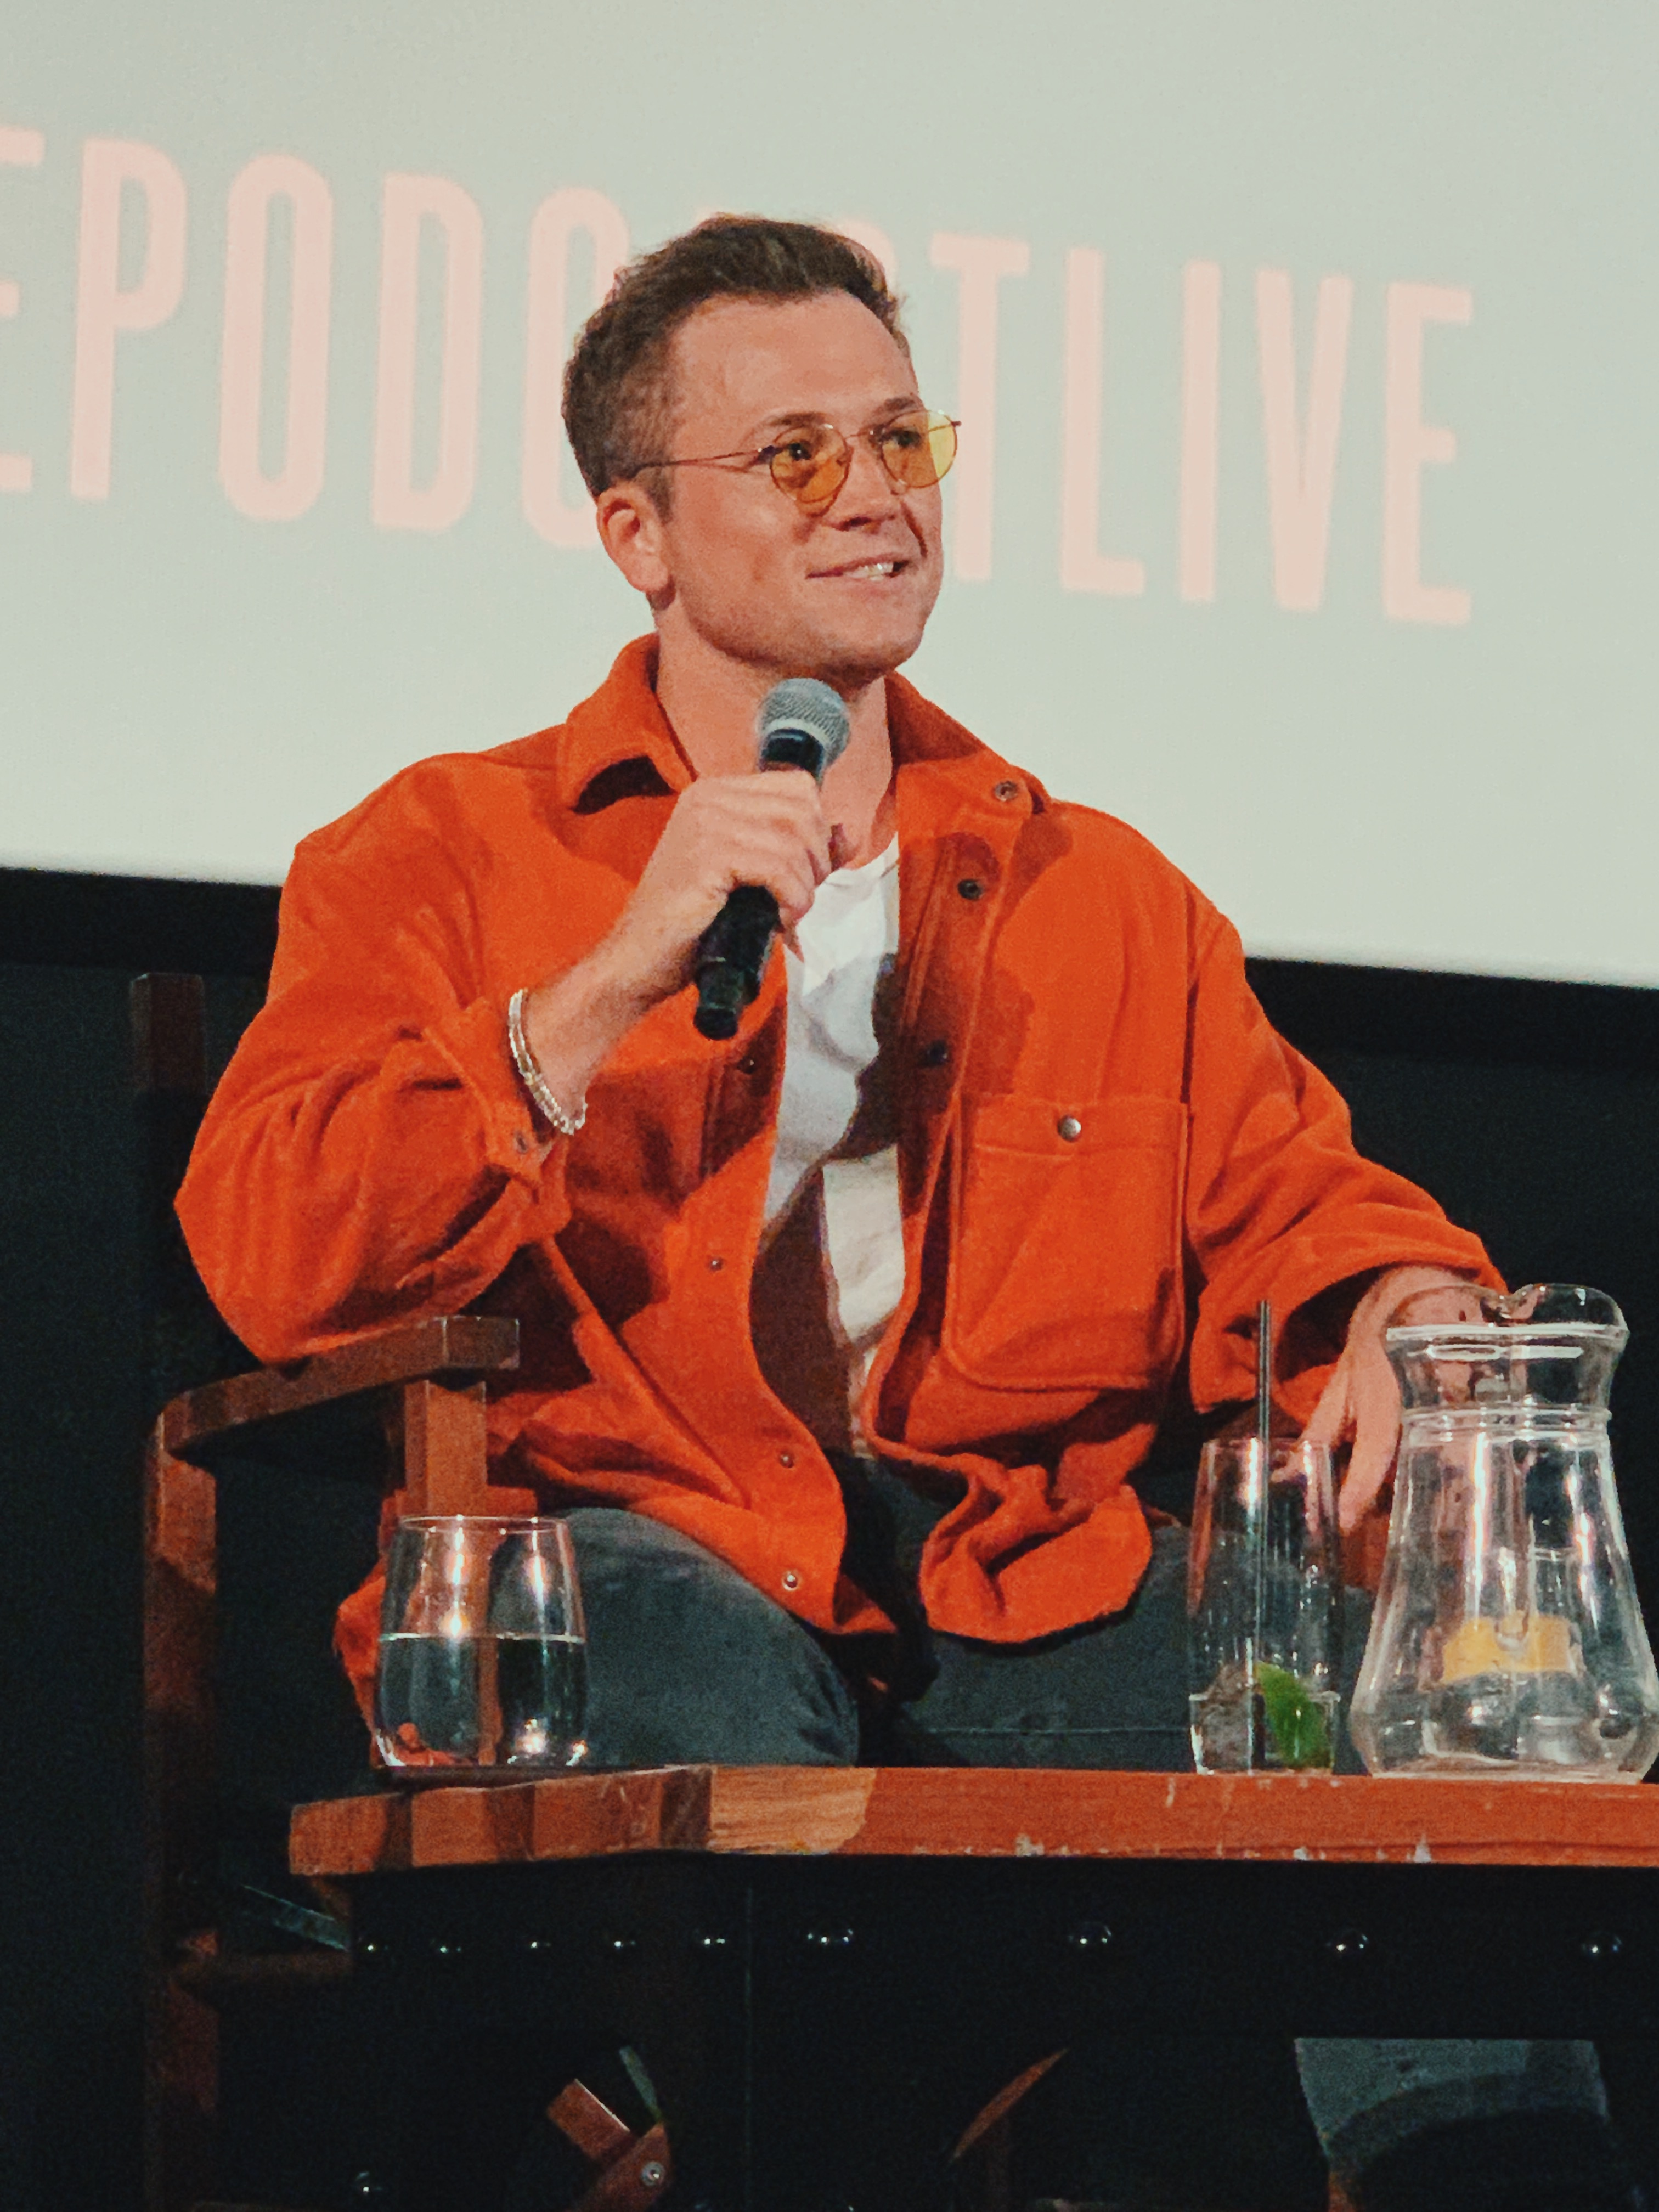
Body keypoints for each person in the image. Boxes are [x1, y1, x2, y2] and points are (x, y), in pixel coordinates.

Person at [176, 218, 1639, 2212]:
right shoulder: (435, 851)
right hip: (621, 1556)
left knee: (1399, 1753)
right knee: (740, 1734)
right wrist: (603, 985)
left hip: (1006, 1581)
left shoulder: (1100, 896)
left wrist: (1393, 1295)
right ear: (636, 535)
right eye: (794, 455)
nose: (873, 493)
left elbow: (1299, 1200)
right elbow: (276, 1254)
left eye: (900, 437)